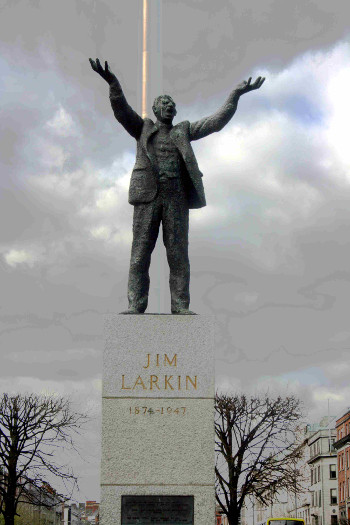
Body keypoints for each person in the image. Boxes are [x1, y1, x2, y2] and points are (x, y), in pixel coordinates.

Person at [89, 58, 265, 314]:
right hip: (148, 196)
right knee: (140, 254)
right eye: (164, 104)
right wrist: (112, 82)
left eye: (172, 104)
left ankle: (181, 306)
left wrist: (235, 95)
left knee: (178, 255)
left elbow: (215, 122)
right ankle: (135, 305)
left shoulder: (183, 131)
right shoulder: (142, 128)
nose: (169, 107)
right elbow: (121, 110)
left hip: (176, 198)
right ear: (155, 110)